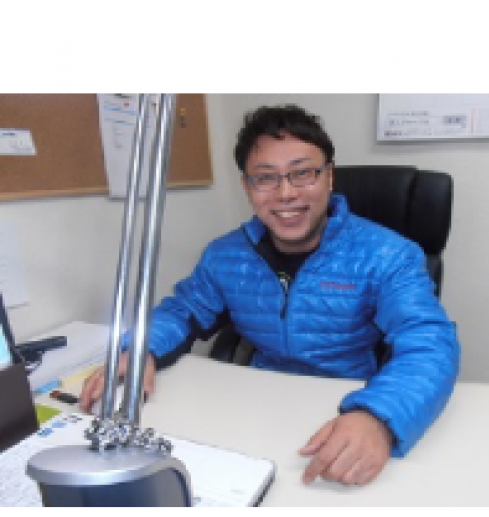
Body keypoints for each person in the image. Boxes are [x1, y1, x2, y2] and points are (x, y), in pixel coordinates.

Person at [80, 104, 460, 487]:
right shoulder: (225, 255)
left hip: (350, 401)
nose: (286, 193)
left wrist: (379, 417)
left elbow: (429, 343)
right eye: (265, 178)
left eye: (303, 173)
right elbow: (183, 310)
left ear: (329, 177)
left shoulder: (388, 254)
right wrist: (141, 350)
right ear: (248, 187)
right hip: (257, 406)